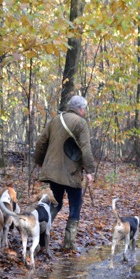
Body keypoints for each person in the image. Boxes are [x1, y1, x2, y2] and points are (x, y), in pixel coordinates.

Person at [34, 95, 95, 251]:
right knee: (75, 206)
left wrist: (39, 161)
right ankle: (68, 244)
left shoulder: (55, 120)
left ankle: (41, 239)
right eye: (85, 109)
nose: (85, 112)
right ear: (81, 108)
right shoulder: (81, 123)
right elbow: (86, 149)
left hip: (54, 172)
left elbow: (41, 141)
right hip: (72, 173)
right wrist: (89, 171)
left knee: (56, 204)